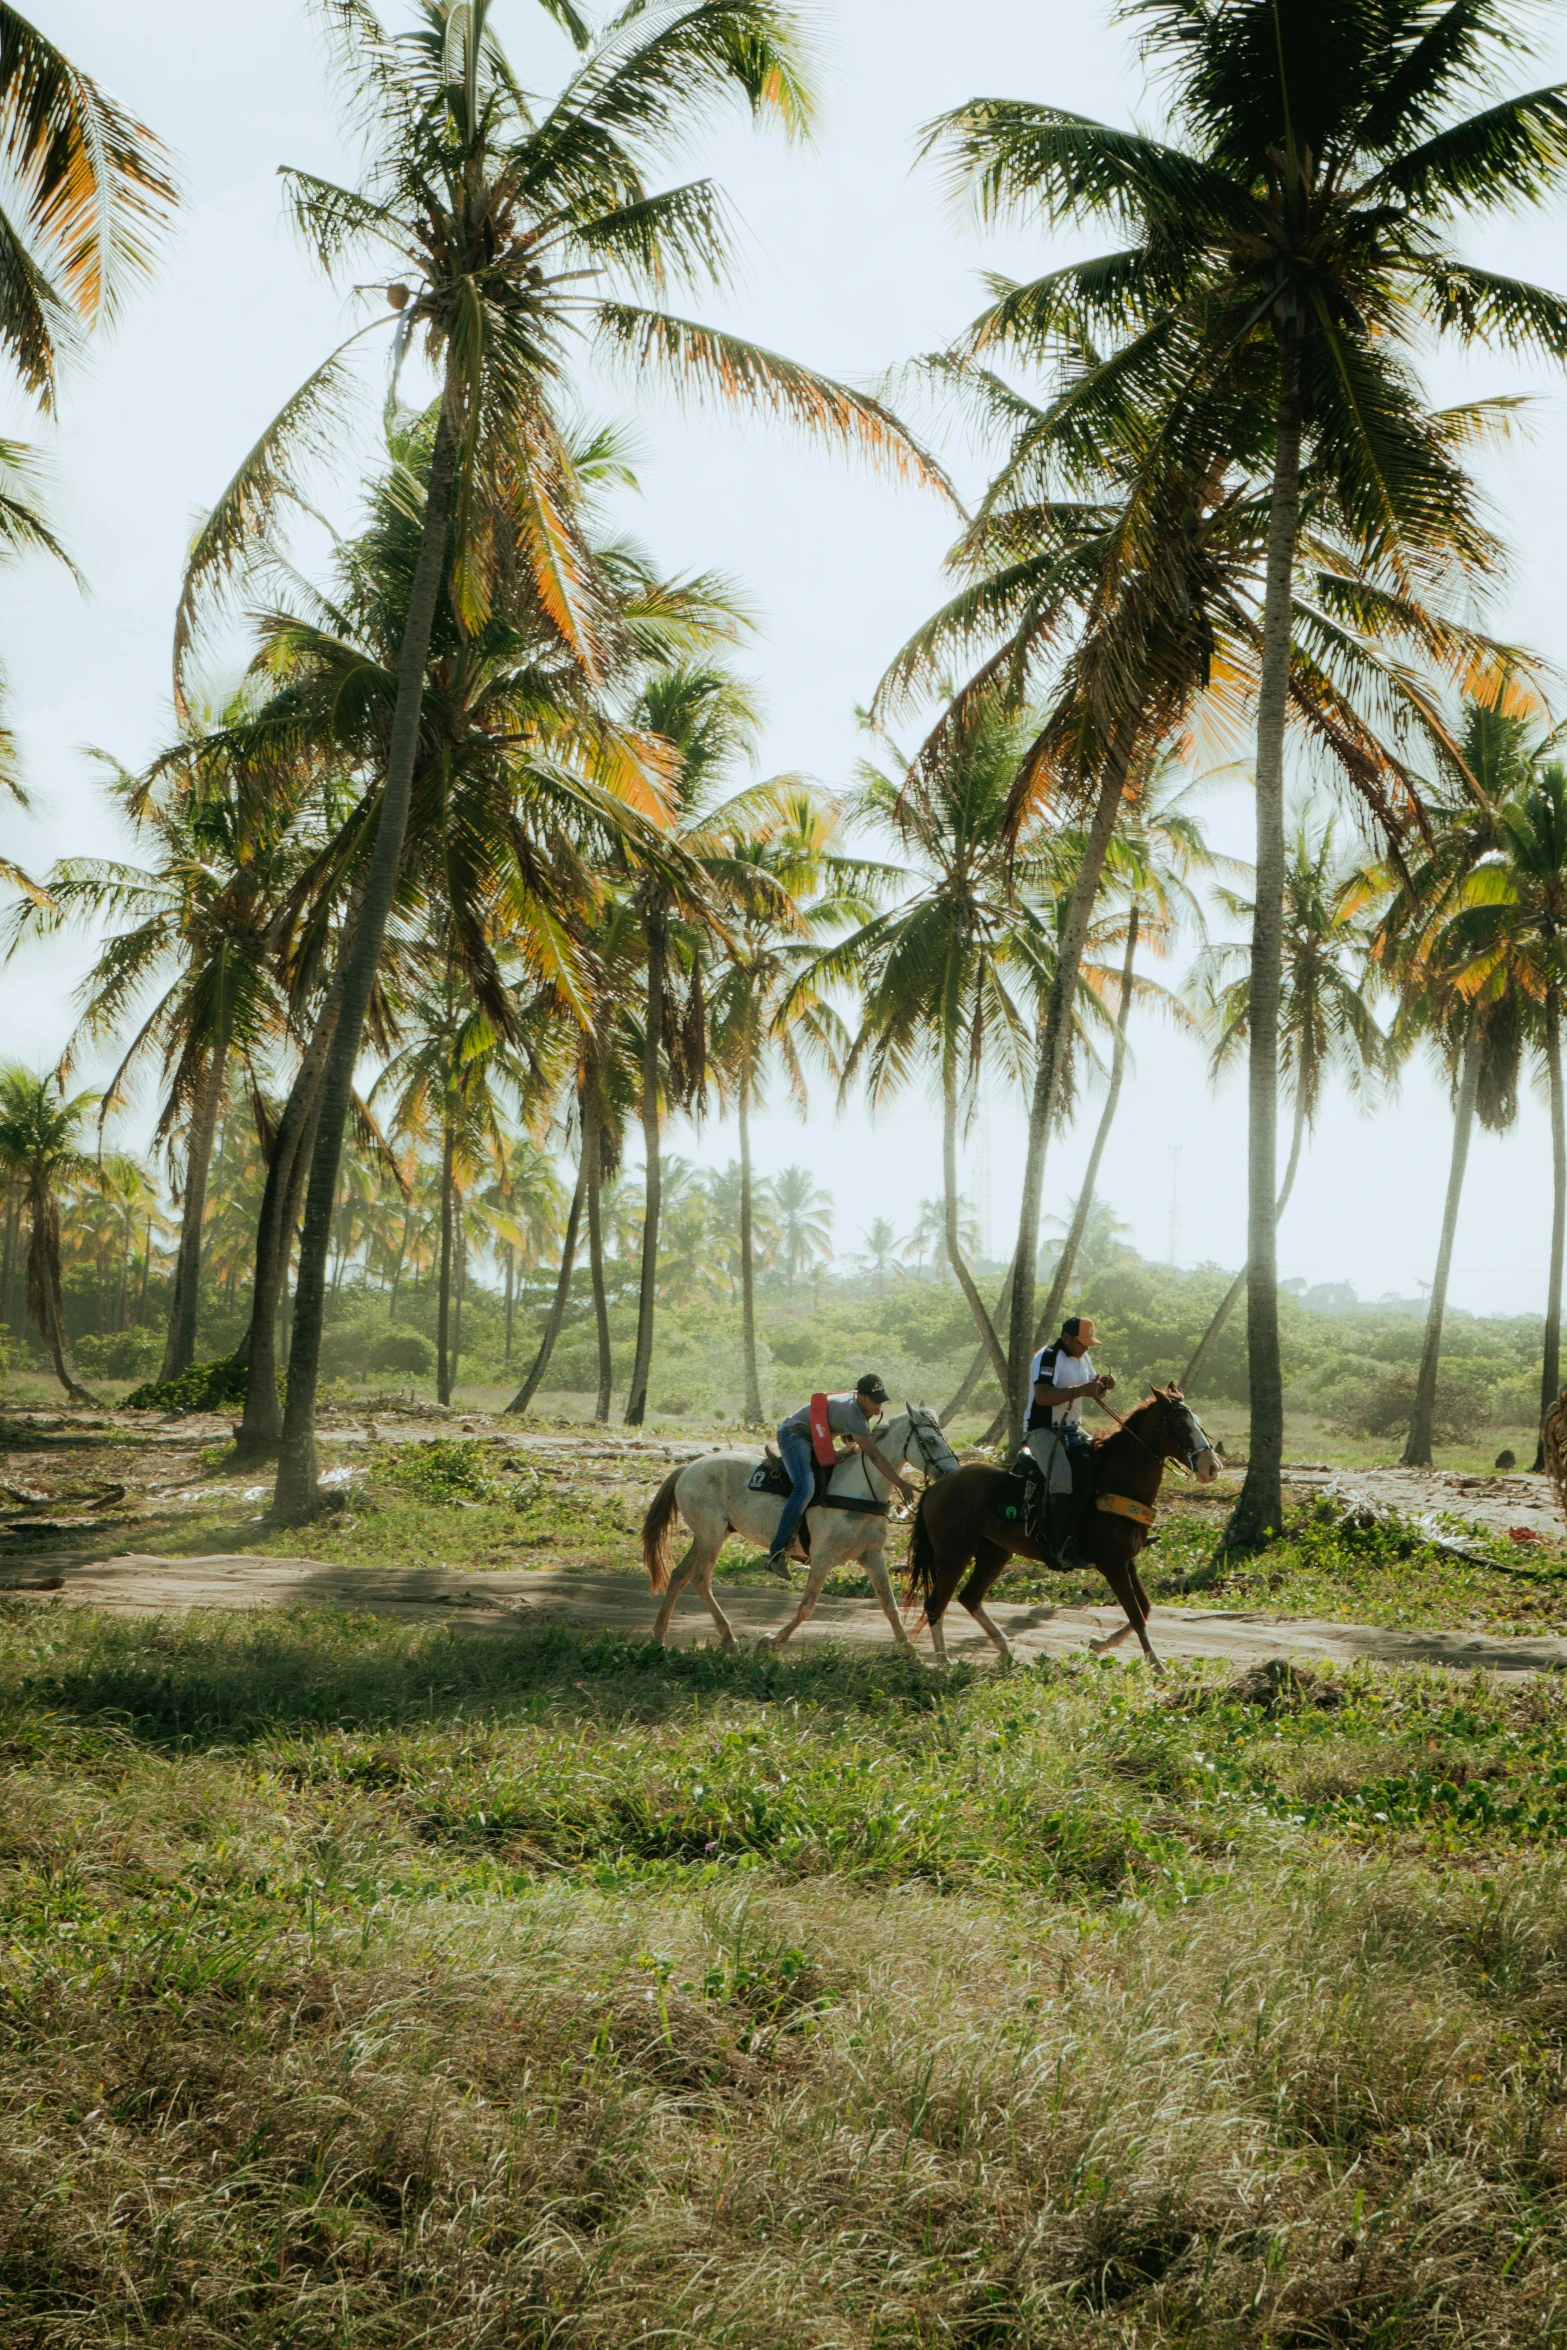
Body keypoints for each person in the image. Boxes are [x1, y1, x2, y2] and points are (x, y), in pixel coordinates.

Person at [766, 1374, 916, 1580]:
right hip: (795, 1435)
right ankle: (776, 1551)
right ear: (861, 1397)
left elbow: (846, 1435)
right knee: (805, 1488)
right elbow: (874, 1455)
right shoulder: (852, 1412)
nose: (879, 1405)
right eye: (875, 1400)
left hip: (815, 1438)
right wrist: (901, 1483)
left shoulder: (860, 1406)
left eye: (882, 1399)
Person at [1023, 1315, 1115, 1568]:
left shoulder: (1083, 1356)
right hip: (1043, 1430)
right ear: (1065, 1337)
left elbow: (1092, 1386)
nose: (1086, 1347)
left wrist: (1104, 1386)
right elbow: (1042, 1397)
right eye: (1082, 1342)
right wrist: (1081, 1391)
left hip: (1073, 1430)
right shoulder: (1049, 1356)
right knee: (1062, 1477)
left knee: (1104, 1465)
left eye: (1089, 1343)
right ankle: (1061, 1547)